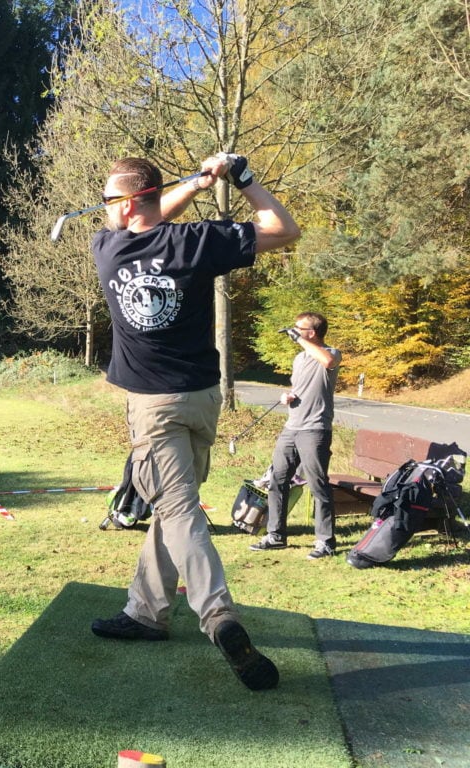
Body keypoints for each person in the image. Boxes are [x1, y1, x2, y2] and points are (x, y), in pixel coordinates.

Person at [88, 152, 300, 691]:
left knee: (179, 509)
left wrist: (197, 186)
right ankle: (145, 611)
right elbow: (283, 229)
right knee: (172, 507)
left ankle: (217, 615)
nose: (104, 208)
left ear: (127, 204)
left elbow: (151, 213)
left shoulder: (108, 248)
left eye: (109, 199)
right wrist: (237, 179)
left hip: (153, 407)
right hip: (203, 399)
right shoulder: (197, 242)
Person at [249, 312, 342, 559]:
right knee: (277, 480)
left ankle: (326, 542)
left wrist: (299, 339)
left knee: (317, 484)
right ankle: (276, 536)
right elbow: (300, 387)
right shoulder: (300, 358)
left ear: (312, 332)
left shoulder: (331, 353)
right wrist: (287, 396)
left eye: (299, 328)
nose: (294, 331)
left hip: (315, 429)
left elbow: (327, 362)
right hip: (292, 427)